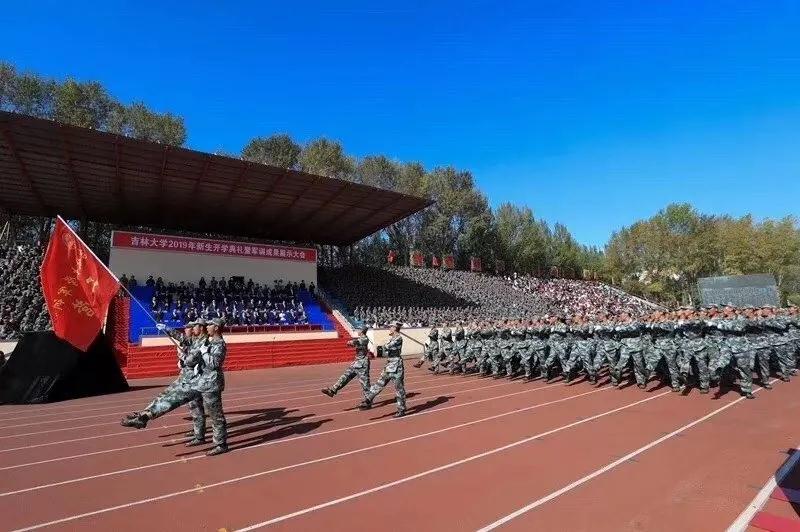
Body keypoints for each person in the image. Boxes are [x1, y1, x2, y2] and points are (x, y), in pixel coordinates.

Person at [121, 318, 229, 456]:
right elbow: (187, 346)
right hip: (198, 382)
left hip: (211, 385)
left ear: (216, 327)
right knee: (174, 397)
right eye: (207, 325)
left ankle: (221, 444)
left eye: (210, 325)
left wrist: (202, 353)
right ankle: (145, 416)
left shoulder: (219, 344)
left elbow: (214, 364)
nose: (208, 327)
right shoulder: (208, 342)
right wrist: (168, 330)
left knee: (216, 417)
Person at [359, 322, 406, 417]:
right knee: (379, 383)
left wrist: (382, 346)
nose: (389, 329)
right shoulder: (392, 338)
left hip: (396, 366)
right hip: (389, 365)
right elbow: (385, 348)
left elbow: (386, 347)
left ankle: (401, 409)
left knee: (399, 388)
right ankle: (368, 400)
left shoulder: (398, 338)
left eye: (391, 327)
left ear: (395, 328)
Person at [322, 326, 371, 400]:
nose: (357, 331)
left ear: (361, 331)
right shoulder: (361, 338)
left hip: (362, 364)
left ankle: (368, 399)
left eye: (358, 330)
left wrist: (351, 342)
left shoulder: (364, 339)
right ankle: (332, 390)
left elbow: (354, 342)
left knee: (365, 384)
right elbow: (351, 343)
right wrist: (350, 342)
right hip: (356, 362)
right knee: (345, 376)